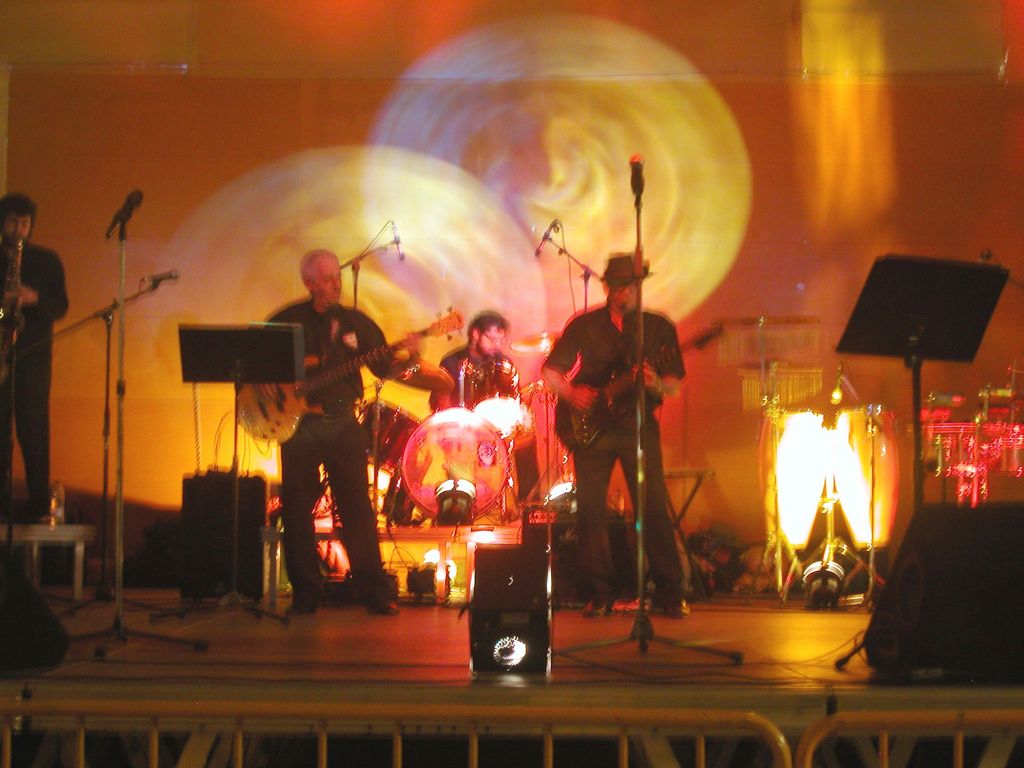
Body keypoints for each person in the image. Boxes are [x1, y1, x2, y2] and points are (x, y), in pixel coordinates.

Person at [266, 248, 419, 616]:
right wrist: (267, 384)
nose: (336, 284)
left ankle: (373, 590)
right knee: (297, 508)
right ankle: (306, 592)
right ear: (309, 283)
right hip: (299, 426)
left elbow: (384, 368)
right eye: (327, 279)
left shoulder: (356, 323)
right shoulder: (286, 322)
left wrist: (413, 356)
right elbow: (256, 363)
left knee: (357, 507)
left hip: (342, 423)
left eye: (337, 276)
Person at [541, 253, 687, 618]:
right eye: (622, 285)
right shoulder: (584, 326)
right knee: (590, 510)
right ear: (607, 286)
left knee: (652, 506)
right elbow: (550, 371)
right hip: (592, 428)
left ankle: (670, 592)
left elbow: (673, 384)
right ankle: (599, 593)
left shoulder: (658, 328)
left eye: (634, 285)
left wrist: (656, 384)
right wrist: (571, 393)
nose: (629, 292)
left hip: (638, 424)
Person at [0, 193, 69, 523]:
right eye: (13, 222)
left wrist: (34, 298)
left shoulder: (47, 261)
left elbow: (61, 306)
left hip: (34, 357)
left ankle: (38, 503)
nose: (18, 230)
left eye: (24, 224)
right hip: (1, 354)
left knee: (34, 428)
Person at [430, 310, 540, 504]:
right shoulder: (452, 362)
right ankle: (460, 502)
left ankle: (530, 503)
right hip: (462, 427)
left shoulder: (502, 362)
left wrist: (521, 412)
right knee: (455, 442)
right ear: (475, 334)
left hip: (495, 429)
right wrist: (452, 422)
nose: (497, 345)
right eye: (492, 339)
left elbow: (512, 397)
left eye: (501, 340)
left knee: (526, 439)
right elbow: (439, 401)